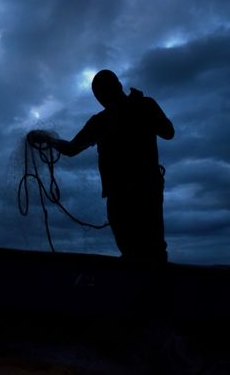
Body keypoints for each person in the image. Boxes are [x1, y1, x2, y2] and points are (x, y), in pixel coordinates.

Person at [33, 70, 174, 263]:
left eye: (102, 92)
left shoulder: (142, 105)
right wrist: (48, 140)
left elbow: (168, 132)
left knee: (151, 248)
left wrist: (141, 109)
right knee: (134, 249)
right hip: (122, 193)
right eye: (98, 94)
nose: (100, 97)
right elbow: (72, 149)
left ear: (117, 87)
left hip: (144, 189)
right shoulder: (101, 121)